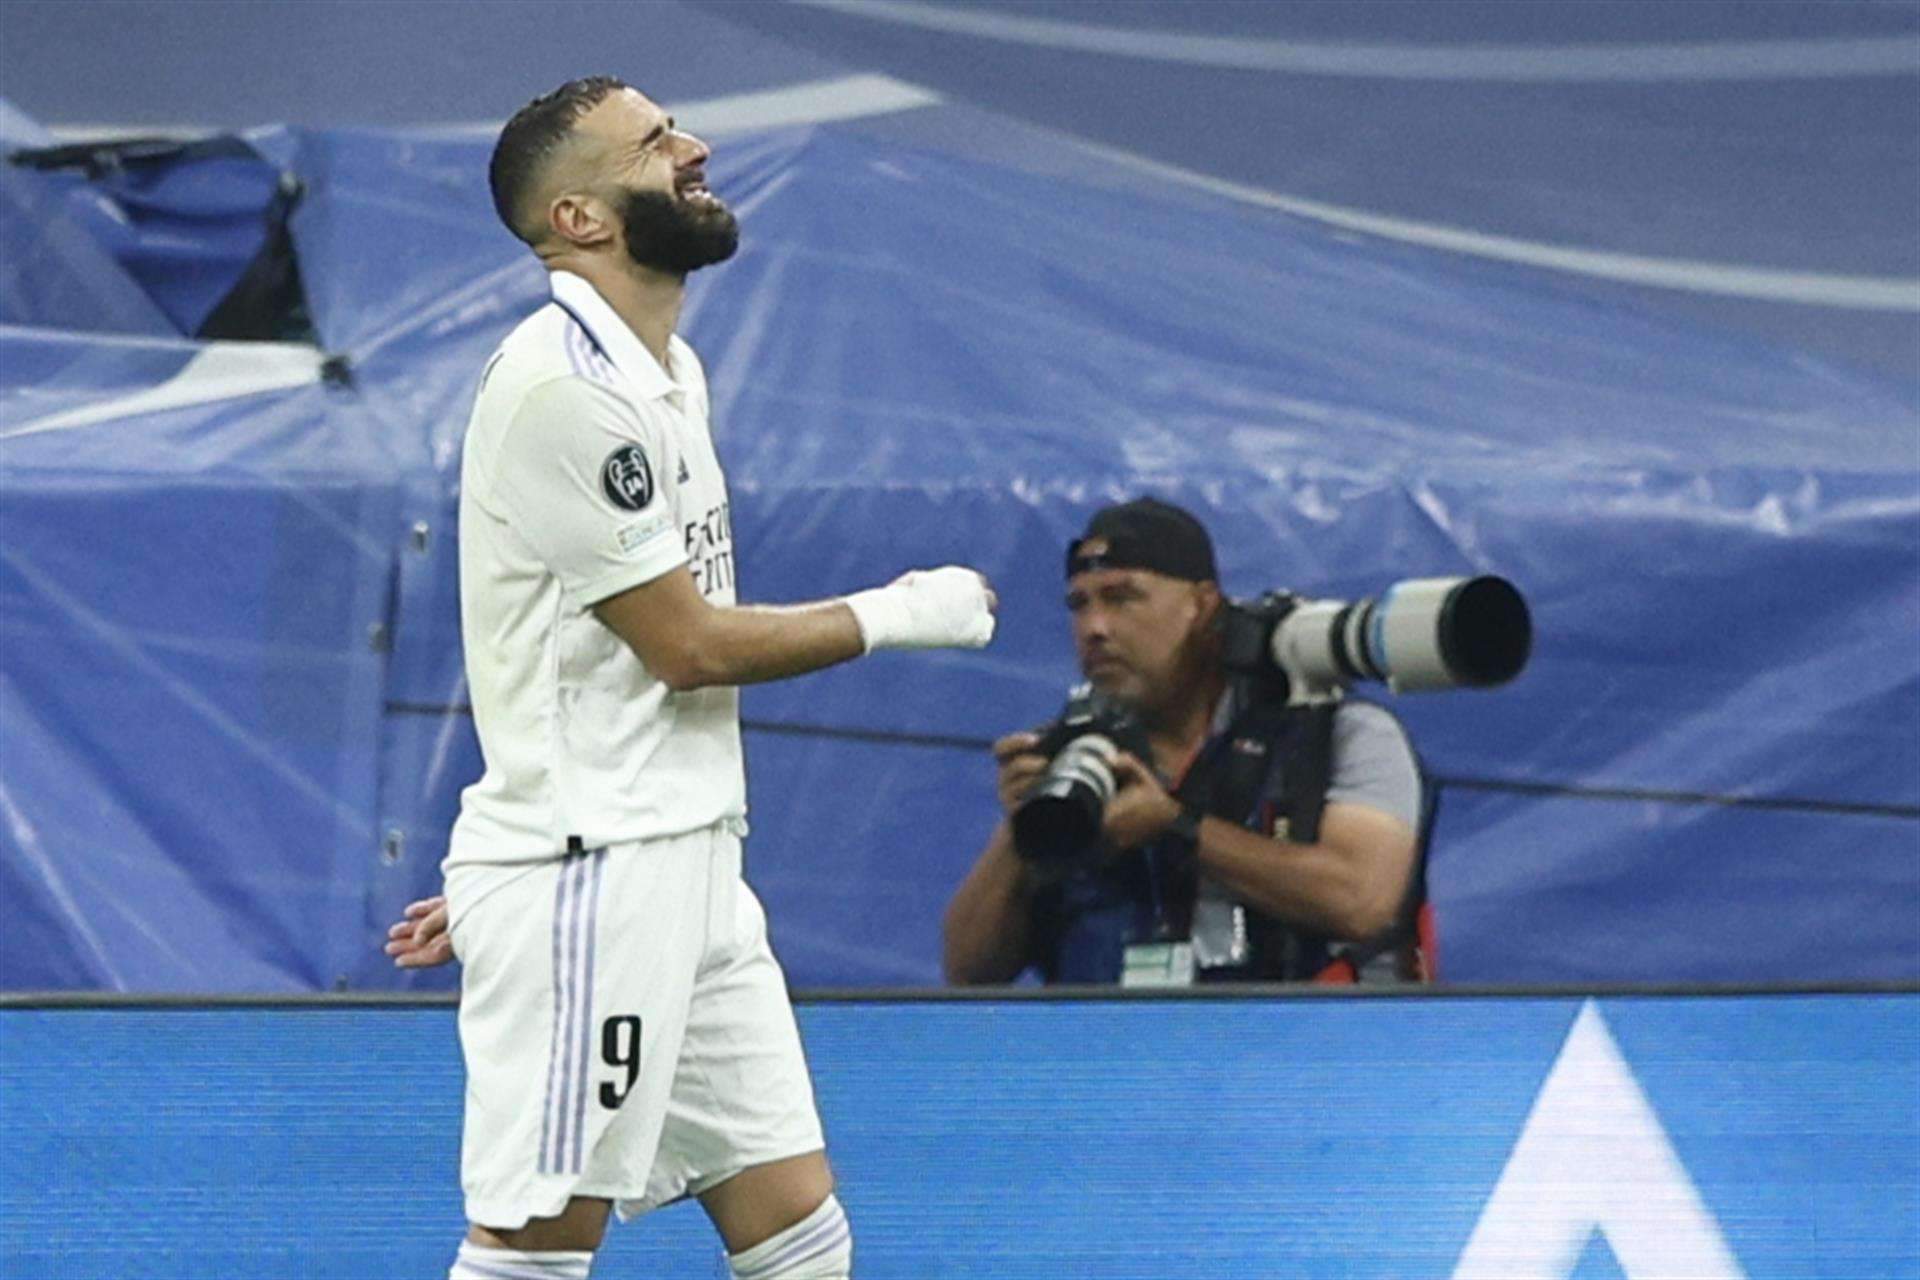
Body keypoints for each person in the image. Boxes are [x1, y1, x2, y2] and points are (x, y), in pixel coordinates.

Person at [383, 76, 996, 1280]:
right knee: (537, 1244)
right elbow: (688, 645)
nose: (697, 148)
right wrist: (899, 611)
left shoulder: (670, 372)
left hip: (677, 863)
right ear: (581, 218)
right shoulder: (568, 388)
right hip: (598, 880)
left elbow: (607, 645)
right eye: (657, 143)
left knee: (799, 1233)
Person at [942, 498, 1426, 988]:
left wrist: (1175, 829)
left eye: (1122, 597)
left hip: (1296, 1053)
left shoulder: (1336, 735)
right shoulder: (1080, 757)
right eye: (1079, 604)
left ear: (1202, 604)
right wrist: (1025, 830)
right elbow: (968, 970)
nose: (1095, 628)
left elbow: (1359, 900)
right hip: (1106, 1056)